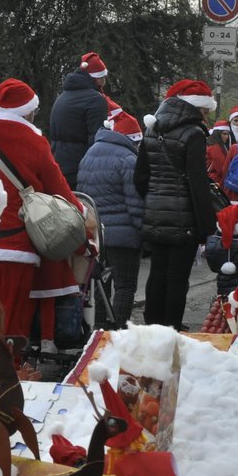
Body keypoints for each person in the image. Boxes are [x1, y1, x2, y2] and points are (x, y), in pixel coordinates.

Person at [0, 79, 83, 372]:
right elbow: (58, 188)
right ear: (28, 112)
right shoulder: (35, 143)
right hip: (16, 250)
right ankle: (4, 378)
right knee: (8, 324)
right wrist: (81, 220)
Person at [136, 79, 218, 329]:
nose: (205, 116)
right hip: (184, 221)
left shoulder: (152, 129)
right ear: (195, 108)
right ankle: (170, 329)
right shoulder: (193, 134)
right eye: (204, 111)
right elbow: (198, 184)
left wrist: (153, 201)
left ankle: (152, 327)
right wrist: (207, 226)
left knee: (157, 273)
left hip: (155, 215)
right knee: (177, 278)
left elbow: (140, 177)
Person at [77, 108, 143, 329]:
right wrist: (144, 231)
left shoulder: (90, 152)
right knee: (125, 285)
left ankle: (99, 329)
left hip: (95, 231)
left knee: (100, 283)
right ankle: (118, 332)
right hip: (123, 235)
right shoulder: (128, 159)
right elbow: (135, 205)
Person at [49, 52, 110, 188]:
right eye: (102, 78)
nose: (104, 82)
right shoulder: (95, 99)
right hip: (80, 168)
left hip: (59, 164)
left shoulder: (63, 96)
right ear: (96, 78)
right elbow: (97, 137)